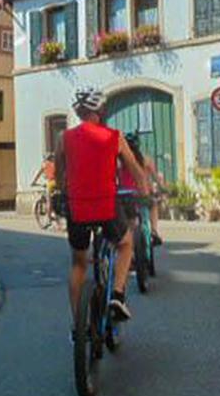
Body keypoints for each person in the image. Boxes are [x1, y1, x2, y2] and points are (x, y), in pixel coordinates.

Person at [55, 88, 149, 328]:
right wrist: (145, 192)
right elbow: (137, 172)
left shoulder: (63, 138)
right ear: (99, 111)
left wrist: (66, 191)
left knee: (78, 263)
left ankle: (78, 326)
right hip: (107, 207)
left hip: (77, 208)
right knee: (126, 244)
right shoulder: (114, 137)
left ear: (79, 112)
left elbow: (59, 177)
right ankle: (117, 295)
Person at [122, 133, 166, 246]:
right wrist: (163, 189)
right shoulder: (146, 160)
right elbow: (156, 178)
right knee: (153, 205)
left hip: (126, 196)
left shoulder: (122, 161)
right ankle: (154, 231)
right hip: (142, 195)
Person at [30, 153, 61, 229]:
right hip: (59, 183)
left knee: (48, 199)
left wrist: (33, 182)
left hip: (51, 183)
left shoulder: (44, 165)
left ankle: (49, 216)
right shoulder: (56, 164)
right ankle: (56, 217)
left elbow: (38, 174)